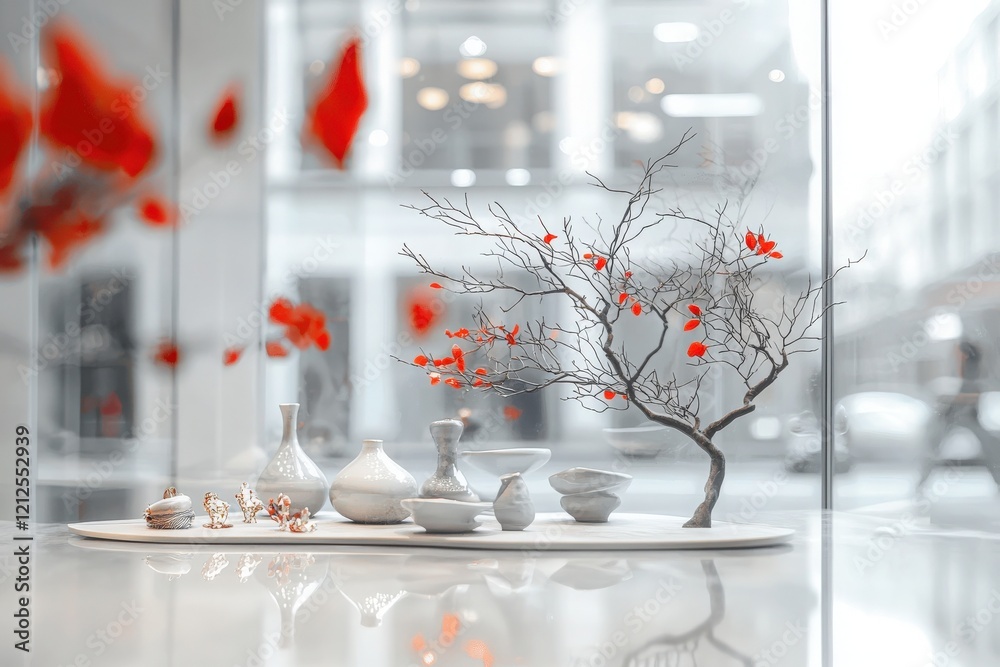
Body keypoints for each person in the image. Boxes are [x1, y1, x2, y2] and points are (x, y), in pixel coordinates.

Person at [919, 340, 1000, 492]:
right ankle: (921, 482)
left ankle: (998, 480)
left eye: (959, 353)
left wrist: (951, 399)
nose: (956, 356)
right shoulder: (962, 370)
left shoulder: (971, 370)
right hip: (956, 415)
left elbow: (974, 394)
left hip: (965, 415)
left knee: (990, 449)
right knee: (934, 447)